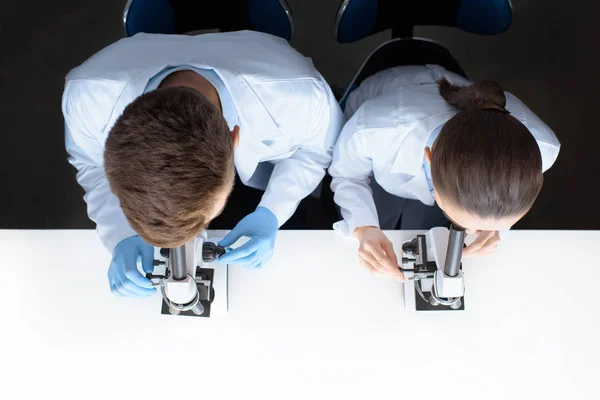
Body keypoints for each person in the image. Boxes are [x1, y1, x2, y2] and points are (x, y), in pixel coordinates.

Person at [63, 31, 343, 297]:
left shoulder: (301, 98)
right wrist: (118, 233)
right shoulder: (87, 99)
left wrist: (274, 210)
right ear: (111, 149)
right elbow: (90, 163)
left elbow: (318, 150)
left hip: (259, 53)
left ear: (235, 142)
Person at [329, 65, 560, 281]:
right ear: (429, 159)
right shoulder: (374, 130)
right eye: (466, 224)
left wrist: (495, 227)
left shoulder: (542, 150)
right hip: (385, 95)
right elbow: (348, 175)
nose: (470, 232)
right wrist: (364, 228)